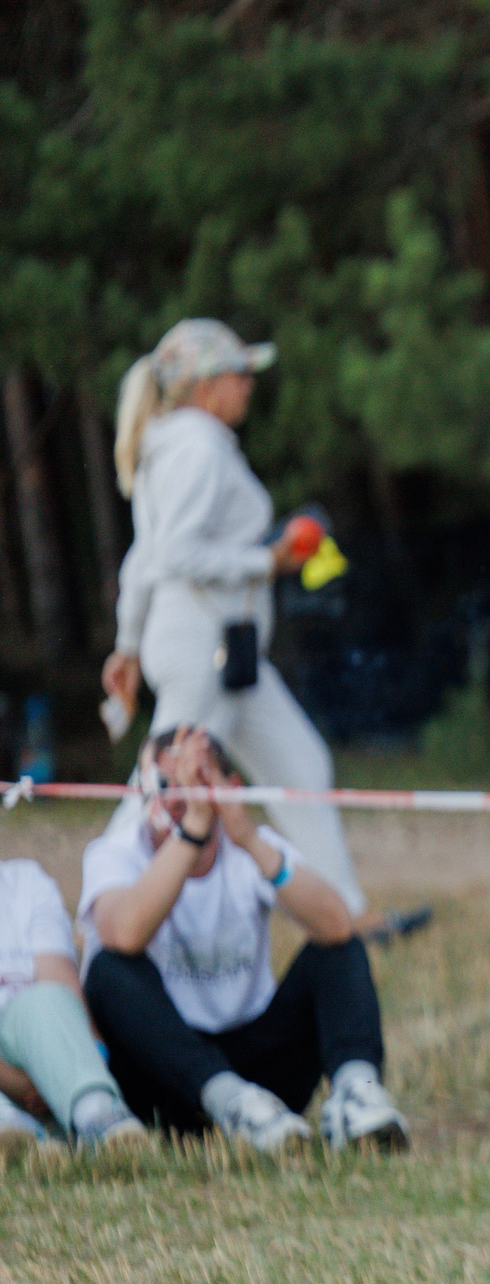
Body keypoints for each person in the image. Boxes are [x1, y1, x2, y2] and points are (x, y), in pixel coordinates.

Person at [102, 319, 416, 935]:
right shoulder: (197, 448)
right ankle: (111, 902)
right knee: (162, 783)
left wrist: (129, 644)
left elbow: (145, 558)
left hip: (222, 649)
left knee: (301, 766)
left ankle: (347, 916)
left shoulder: (177, 445)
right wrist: (267, 560)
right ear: (204, 384)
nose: (250, 385)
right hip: (204, 651)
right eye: (240, 374)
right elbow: (174, 556)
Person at [78, 728, 409, 1154]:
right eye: (162, 785)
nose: (176, 799)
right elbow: (125, 932)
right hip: (165, 1074)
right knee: (110, 968)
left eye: (191, 783)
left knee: (338, 950)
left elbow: (337, 924)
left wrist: (250, 840)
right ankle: (230, 1103)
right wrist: (193, 833)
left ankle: (357, 1096)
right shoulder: (115, 853)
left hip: (261, 1076)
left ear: (228, 789)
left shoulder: (252, 849)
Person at [0, 859, 145, 1151]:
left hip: (30, 1045)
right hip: (13, 1074)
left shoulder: (26, 882)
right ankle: (14, 1128)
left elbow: (59, 984)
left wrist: (52, 1070)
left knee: (46, 999)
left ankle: (98, 1115)